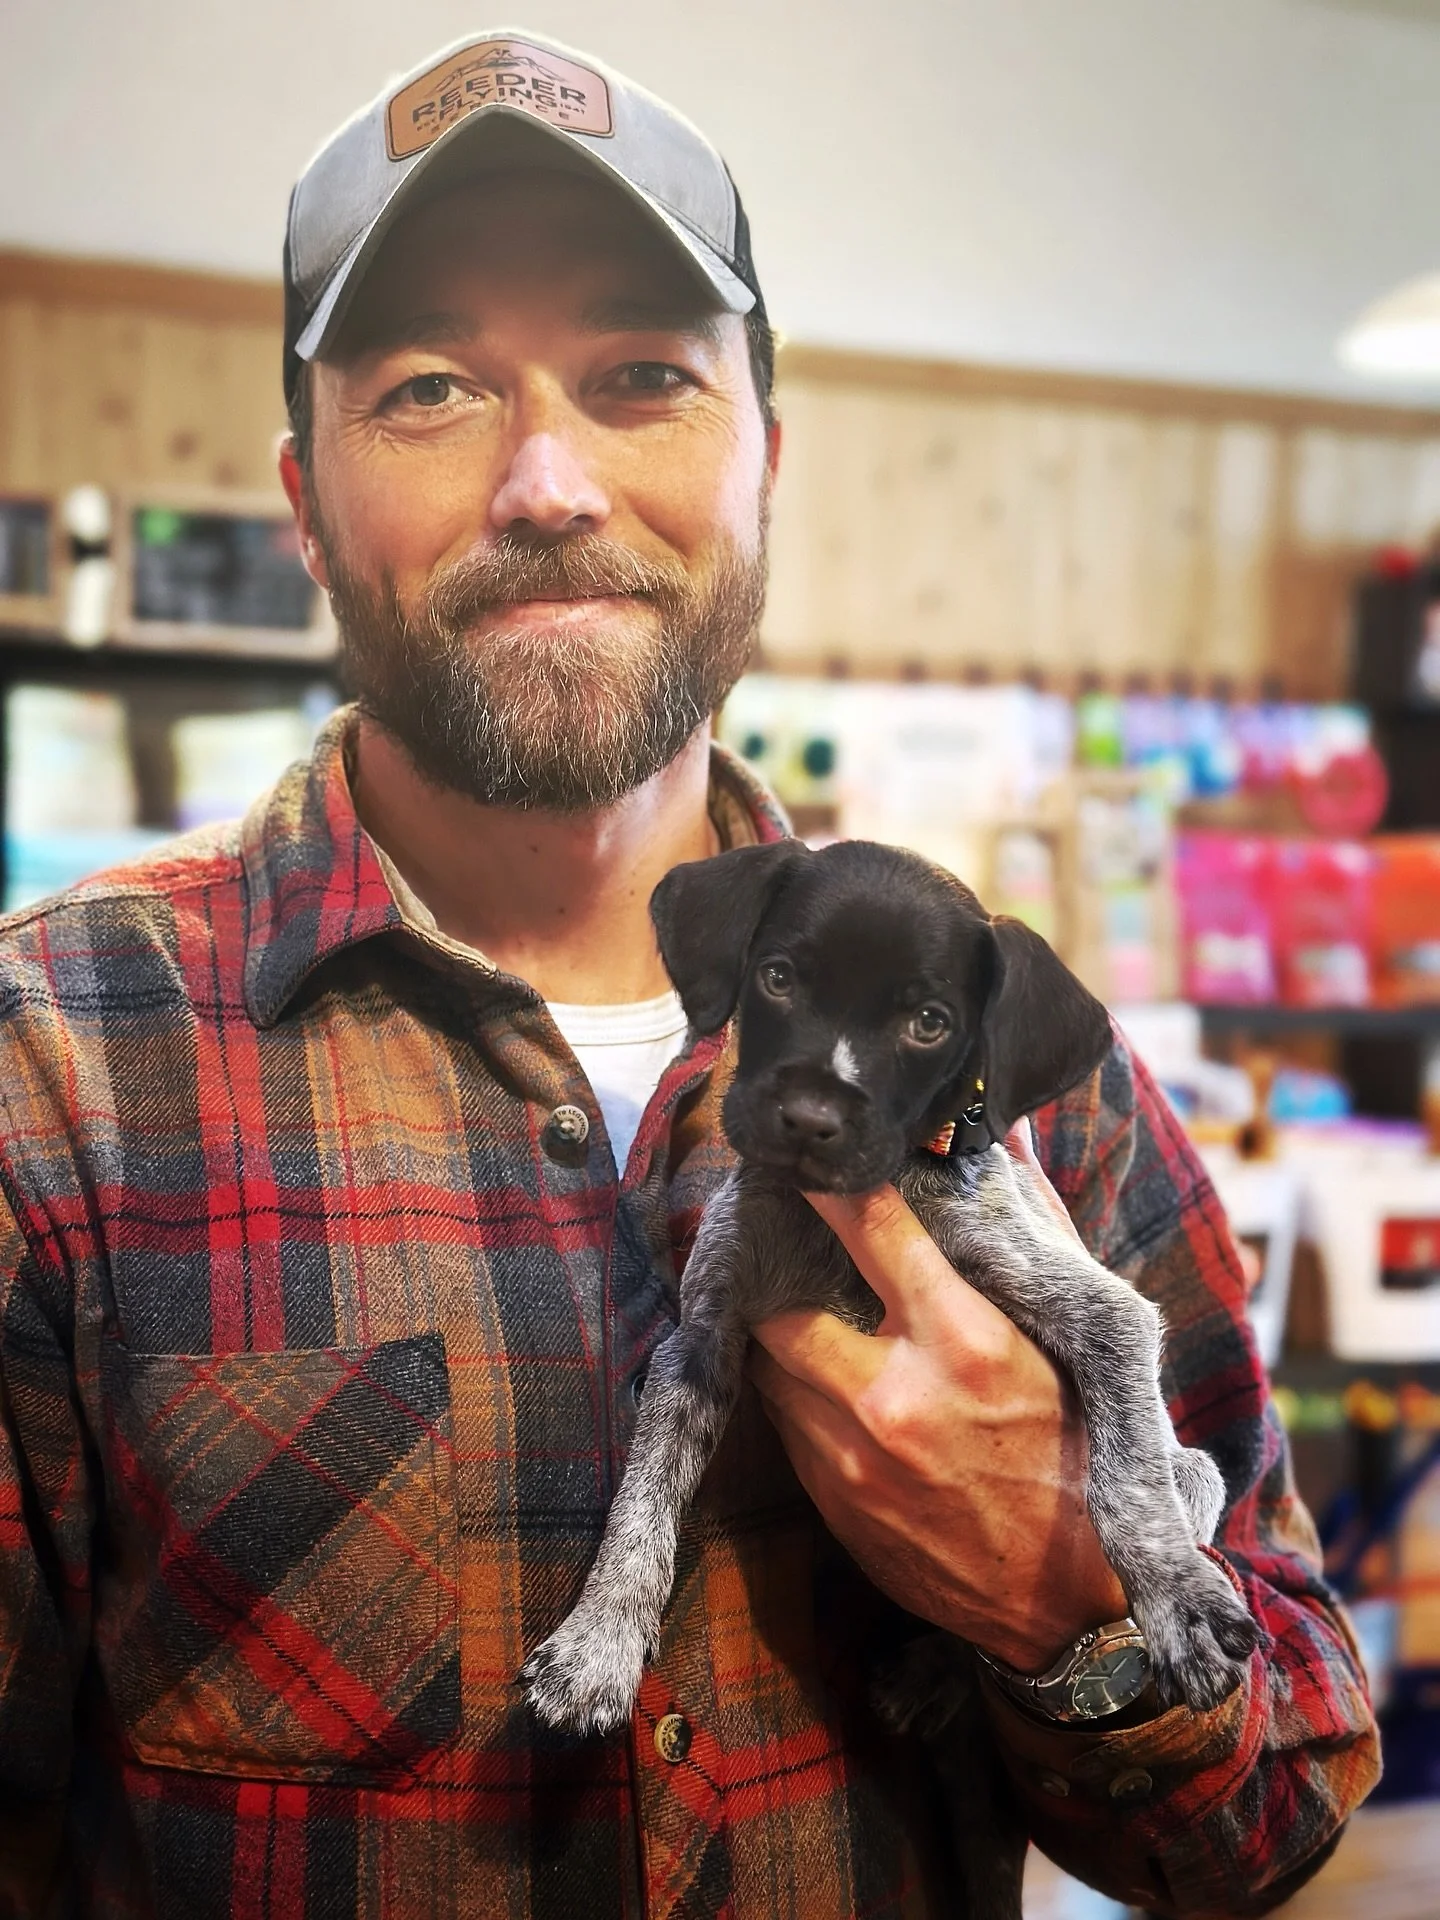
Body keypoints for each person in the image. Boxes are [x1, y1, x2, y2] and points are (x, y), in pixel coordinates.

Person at [0, 28, 1377, 1919]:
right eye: (424, 388)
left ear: (764, 465)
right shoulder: (50, 1076)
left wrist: (1056, 1590)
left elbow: (1281, 1808)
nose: (549, 479)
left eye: (644, 373)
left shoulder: (1025, 1061)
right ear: (303, 504)